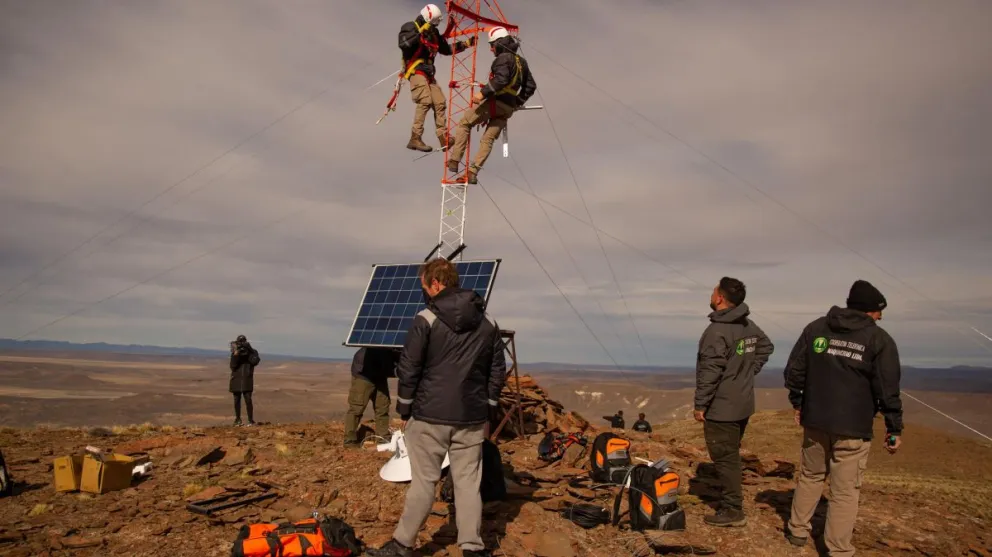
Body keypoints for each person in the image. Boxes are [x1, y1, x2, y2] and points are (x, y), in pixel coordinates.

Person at [368, 258, 507, 557]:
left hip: (429, 416)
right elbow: (497, 370)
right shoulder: (488, 323)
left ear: (435, 283)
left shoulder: (425, 319)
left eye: (424, 287)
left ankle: (403, 544)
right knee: (469, 483)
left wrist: (404, 410)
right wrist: (489, 408)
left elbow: (409, 368)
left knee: (424, 483)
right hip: (470, 417)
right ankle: (471, 546)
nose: (424, 294)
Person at [783, 280, 903, 555]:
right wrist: (894, 427)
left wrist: (799, 404)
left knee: (811, 475)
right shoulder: (879, 339)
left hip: (815, 421)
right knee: (845, 490)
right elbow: (887, 389)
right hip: (853, 427)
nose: (880, 316)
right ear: (867, 310)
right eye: (877, 311)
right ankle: (837, 549)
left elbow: (793, 372)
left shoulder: (816, 329)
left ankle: (797, 531)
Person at [693, 277, 774, 527]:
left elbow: (710, 371)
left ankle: (732, 509)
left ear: (719, 298)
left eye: (714, 290)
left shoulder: (717, 331)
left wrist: (700, 404)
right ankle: (730, 500)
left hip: (722, 407)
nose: (712, 293)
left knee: (725, 457)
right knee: (730, 454)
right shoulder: (747, 326)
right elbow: (766, 346)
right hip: (742, 403)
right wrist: (745, 373)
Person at [446, 26, 537, 184]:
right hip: (507, 109)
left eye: (492, 45)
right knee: (487, 140)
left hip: (495, 103)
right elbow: (531, 86)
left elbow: (501, 80)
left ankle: (454, 161)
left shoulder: (502, 59)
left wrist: (482, 94)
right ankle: (472, 173)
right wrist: (517, 102)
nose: (491, 49)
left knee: (465, 123)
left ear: (500, 43)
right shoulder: (521, 62)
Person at [398, 4, 476, 153]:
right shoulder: (410, 27)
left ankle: (443, 137)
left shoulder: (433, 33)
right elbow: (404, 44)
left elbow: (446, 49)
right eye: (433, 23)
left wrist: (466, 44)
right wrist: (420, 33)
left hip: (428, 73)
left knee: (440, 102)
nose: (435, 26)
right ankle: (415, 137)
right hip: (416, 71)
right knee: (425, 100)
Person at [343, 347, 401, 448]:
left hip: (380, 374)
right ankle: (350, 440)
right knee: (357, 407)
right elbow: (389, 367)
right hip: (364, 374)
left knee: (382, 407)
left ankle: (382, 437)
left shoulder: (400, 348)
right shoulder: (379, 346)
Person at [229, 335, 261, 427]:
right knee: (236, 400)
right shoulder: (235, 353)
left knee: (248, 400)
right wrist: (236, 354)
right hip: (236, 379)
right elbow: (233, 366)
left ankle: (250, 420)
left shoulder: (252, 352)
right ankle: (237, 419)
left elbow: (255, 361)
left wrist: (250, 350)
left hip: (247, 380)